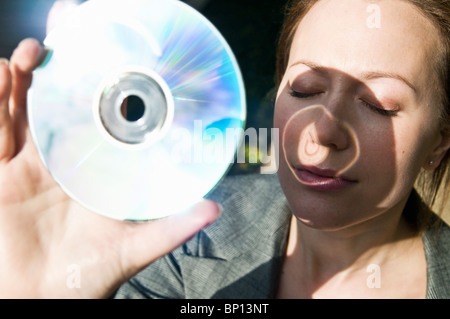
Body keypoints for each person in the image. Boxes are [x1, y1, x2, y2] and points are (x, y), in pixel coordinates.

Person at [0, 0, 449, 299]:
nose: (324, 130)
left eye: (377, 105)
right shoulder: (173, 240)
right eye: (305, 89)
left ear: (439, 141)